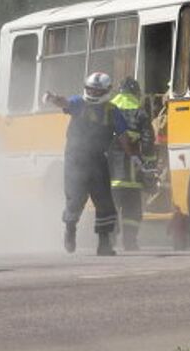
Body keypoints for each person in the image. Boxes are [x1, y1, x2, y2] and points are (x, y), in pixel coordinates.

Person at [42, 72, 139, 256]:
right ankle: (70, 229)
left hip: (98, 160)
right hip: (76, 159)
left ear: (107, 91)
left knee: (105, 203)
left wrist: (133, 156)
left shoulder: (113, 111)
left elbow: (124, 137)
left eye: (97, 91)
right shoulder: (80, 103)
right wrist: (53, 98)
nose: (93, 94)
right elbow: (66, 103)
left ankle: (104, 245)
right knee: (76, 199)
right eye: (90, 90)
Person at [108, 77, 156, 251]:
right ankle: (130, 241)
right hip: (133, 174)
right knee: (132, 211)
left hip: (110, 174)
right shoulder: (140, 112)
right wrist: (150, 166)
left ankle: (109, 240)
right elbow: (148, 141)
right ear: (136, 93)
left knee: (110, 209)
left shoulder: (108, 109)